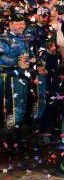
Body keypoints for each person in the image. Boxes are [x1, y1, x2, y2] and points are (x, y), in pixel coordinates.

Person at [0, 14, 33, 146]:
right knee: (12, 110)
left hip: (22, 78)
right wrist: (16, 62)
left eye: (23, 24)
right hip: (10, 79)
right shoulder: (4, 39)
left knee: (21, 108)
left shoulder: (24, 38)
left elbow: (26, 58)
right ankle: (10, 142)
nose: (22, 26)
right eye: (18, 24)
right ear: (10, 25)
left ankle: (16, 139)